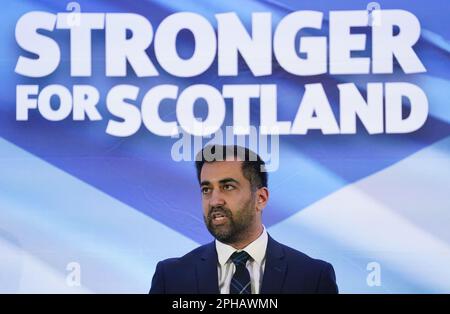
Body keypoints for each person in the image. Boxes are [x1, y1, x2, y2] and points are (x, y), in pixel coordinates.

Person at [150, 145, 338, 294]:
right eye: (206, 189)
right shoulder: (171, 277)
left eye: (228, 187)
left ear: (260, 198)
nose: (215, 200)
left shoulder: (313, 278)